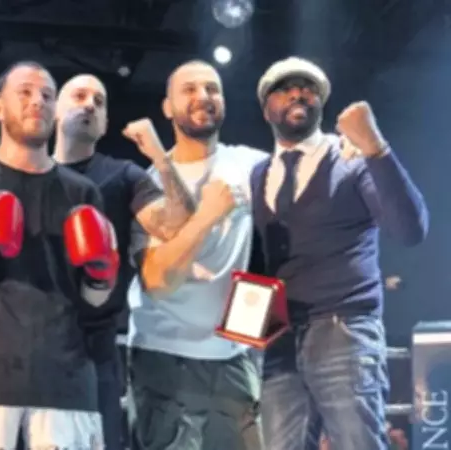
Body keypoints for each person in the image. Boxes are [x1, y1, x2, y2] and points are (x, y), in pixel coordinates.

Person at [0, 73, 194, 450]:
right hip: (7, 355)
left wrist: (159, 154)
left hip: (89, 355)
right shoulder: (2, 175)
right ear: (55, 109)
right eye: (79, 95)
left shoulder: (123, 177)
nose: (90, 104)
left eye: (99, 101)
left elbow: (175, 222)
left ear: (105, 123)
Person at [0, 61, 119, 449]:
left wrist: (101, 271)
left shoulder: (83, 193)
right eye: (25, 92)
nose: (37, 101)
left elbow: (94, 298)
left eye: (47, 95)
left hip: (66, 384)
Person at [253, 56, 428, 450]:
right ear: (266, 109)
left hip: (343, 329)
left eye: (308, 88)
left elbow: (410, 229)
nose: (298, 93)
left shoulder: (351, 158)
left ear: (321, 103)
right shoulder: (258, 173)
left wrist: (376, 148)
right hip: (279, 340)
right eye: (285, 88)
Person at [126, 60, 268, 450]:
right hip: (163, 354)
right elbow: (158, 281)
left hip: (233, 356)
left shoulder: (251, 164)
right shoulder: (148, 184)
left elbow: (304, 174)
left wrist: (344, 149)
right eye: (189, 89)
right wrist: (207, 215)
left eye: (212, 88)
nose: (202, 96)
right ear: (167, 107)